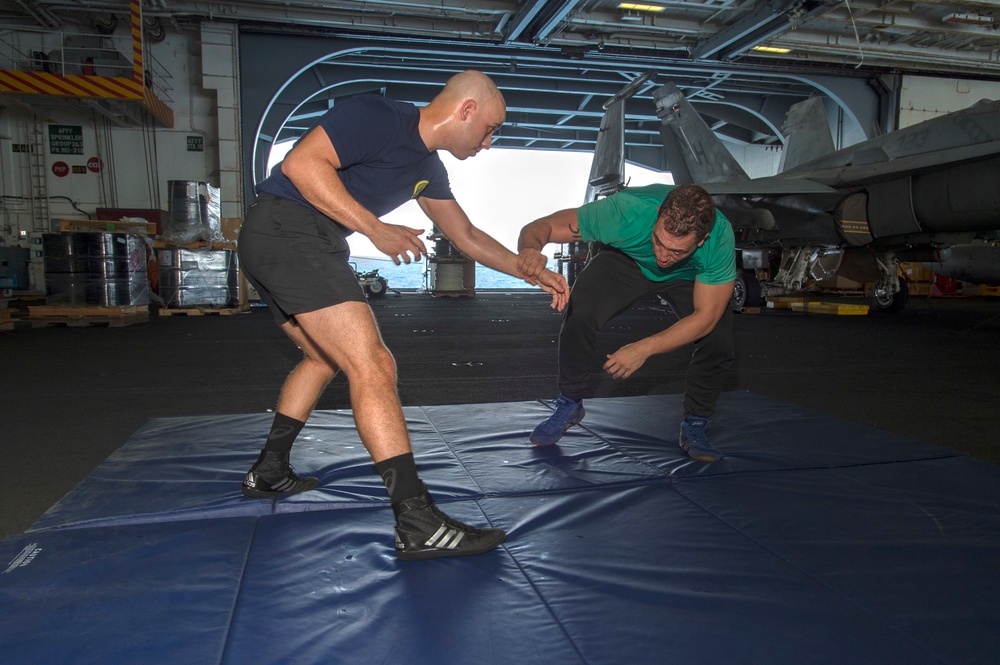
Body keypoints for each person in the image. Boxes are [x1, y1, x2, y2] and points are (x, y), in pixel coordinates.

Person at [238, 70, 569, 561]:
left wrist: (530, 272)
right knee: (373, 364)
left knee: (324, 359)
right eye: (490, 129)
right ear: (466, 110)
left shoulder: (429, 170)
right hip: (290, 231)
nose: (489, 142)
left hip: (279, 238)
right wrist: (375, 229)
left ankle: (269, 469)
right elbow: (302, 165)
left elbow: (468, 237)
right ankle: (416, 521)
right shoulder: (380, 115)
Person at [517, 183, 735, 461]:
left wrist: (644, 348)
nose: (664, 256)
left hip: (687, 275)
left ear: (702, 239)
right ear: (657, 215)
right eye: (659, 241)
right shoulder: (626, 212)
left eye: (677, 250)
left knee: (718, 338)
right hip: (627, 260)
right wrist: (529, 250)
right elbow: (541, 227)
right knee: (580, 310)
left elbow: (706, 317)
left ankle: (695, 424)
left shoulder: (719, 238)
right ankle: (570, 403)